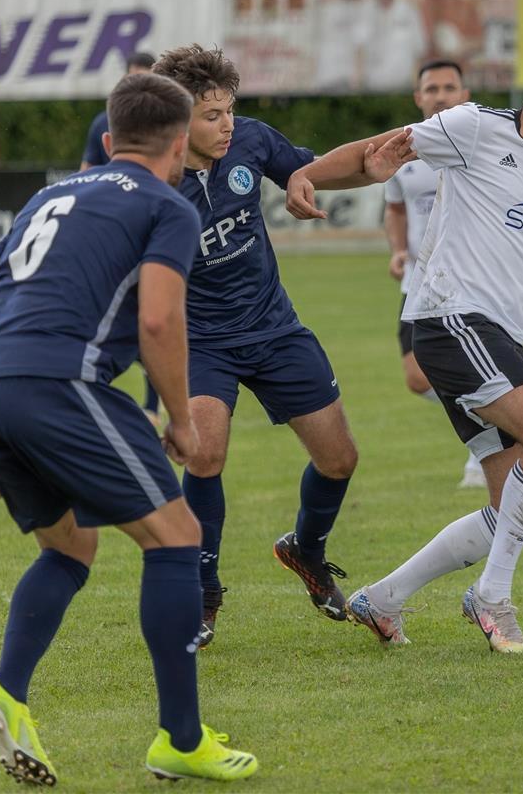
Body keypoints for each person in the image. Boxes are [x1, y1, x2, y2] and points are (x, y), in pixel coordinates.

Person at [288, 43, 523, 653]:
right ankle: (493, 598)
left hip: (498, 335)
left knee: (509, 507)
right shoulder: (474, 128)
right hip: (450, 320)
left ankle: (383, 599)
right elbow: (377, 152)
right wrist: (304, 174)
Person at [0, 73, 257, 783]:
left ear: (111, 138)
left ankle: (6, 692)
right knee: (176, 538)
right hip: (55, 381)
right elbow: (158, 319)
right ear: (179, 144)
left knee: (70, 544)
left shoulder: (47, 194)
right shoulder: (167, 204)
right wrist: (181, 420)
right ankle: (181, 741)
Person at [151, 45, 414, 647]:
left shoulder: (249, 142)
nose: (226, 125)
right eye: (211, 115)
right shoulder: (152, 181)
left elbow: (313, 168)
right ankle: (202, 590)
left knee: (340, 459)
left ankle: (306, 549)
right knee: (205, 452)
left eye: (228, 111)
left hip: (273, 328)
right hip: (202, 344)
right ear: (175, 118)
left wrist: (368, 169)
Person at [384, 59, 484, 488]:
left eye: (449, 87)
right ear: (418, 97)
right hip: (418, 281)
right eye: (432, 88)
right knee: (415, 377)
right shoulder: (401, 148)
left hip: (467, 279)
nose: (440, 95)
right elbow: (394, 206)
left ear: (464, 95)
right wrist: (398, 250)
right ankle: (490, 429)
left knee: (473, 368)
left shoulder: (481, 143)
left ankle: (484, 452)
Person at [81, 51, 162, 426]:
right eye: (134, 77)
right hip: (112, 237)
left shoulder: (168, 123)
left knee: (151, 315)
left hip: (148, 234)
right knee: (118, 320)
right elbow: (86, 174)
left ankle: (152, 404)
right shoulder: (103, 122)